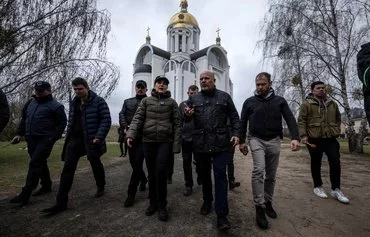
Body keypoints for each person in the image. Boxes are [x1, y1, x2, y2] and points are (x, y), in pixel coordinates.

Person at [239, 72, 300, 230]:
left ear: (270, 83)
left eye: (263, 84)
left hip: (274, 140)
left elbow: (290, 118)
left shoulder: (280, 101)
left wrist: (295, 137)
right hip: (256, 139)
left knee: (271, 175)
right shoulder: (249, 102)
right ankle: (259, 207)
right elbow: (243, 121)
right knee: (259, 170)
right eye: (257, 84)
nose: (260, 87)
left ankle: (268, 202)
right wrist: (241, 141)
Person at [42, 77, 111, 215]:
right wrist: (67, 136)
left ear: (87, 87)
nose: (77, 92)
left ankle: (101, 185)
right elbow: (71, 120)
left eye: (80, 89)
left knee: (95, 162)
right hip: (75, 140)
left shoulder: (99, 101)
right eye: (75, 89)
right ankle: (61, 202)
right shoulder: (74, 102)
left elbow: (106, 119)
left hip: (91, 139)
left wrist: (99, 136)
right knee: (68, 168)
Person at [184, 70, 240, 231]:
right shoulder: (194, 99)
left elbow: (235, 117)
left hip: (221, 144)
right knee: (204, 176)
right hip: (200, 145)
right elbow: (187, 119)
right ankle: (207, 200)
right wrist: (188, 115)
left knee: (220, 176)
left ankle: (222, 215)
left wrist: (236, 134)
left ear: (214, 80)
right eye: (201, 79)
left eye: (206, 78)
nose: (203, 81)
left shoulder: (224, 97)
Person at [126, 76, 180, 221]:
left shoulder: (172, 103)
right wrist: (130, 134)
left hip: (165, 142)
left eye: (164, 83)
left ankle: (162, 204)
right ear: (155, 85)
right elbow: (137, 119)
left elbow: (177, 125)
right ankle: (152, 202)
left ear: (167, 87)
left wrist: (175, 145)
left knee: (161, 171)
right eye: (159, 83)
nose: (162, 85)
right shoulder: (145, 101)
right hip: (148, 141)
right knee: (151, 173)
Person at [9, 81, 67, 206]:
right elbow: (25, 119)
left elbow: (62, 124)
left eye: (41, 91)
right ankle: (46, 185)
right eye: (36, 90)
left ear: (49, 90)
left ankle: (25, 194)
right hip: (31, 138)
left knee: (35, 163)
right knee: (40, 162)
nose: (38, 93)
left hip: (45, 140)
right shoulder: (30, 103)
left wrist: (52, 138)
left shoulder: (56, 106)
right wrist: (19, 134)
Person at [298, 81, 349, 204]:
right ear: (312, 90)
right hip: (314, 138)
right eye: (318, 88)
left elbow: (338, 118)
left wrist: (336, 129)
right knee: (316, 162)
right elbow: (301, 120)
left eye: (323, 88)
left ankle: (336, 189)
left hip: (331, 138)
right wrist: (304, 135)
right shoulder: (307, 104)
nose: (321, 90)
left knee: (335, 162)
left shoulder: (332, 104)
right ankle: (318, 186)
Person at [119, 80, 148, 207]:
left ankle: (131, 194)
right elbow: (121, 115)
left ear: (146, 89)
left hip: (145, 138)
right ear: (135, 88)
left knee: (137, 163)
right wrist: (126, 126)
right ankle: (143, 179)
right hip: (130, 137)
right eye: (138, 87)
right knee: (133, 163)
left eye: (142, 87)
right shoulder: (127, 101)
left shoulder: (149, 102)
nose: (140, 89)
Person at [179, 85, 200, 196]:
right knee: (186, 162)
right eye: (191, 93)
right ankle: (189, 185)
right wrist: (186, 114)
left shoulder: (202, 104)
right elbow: (179, 121)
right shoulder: (182, 105)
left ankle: (200, 175)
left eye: (195, 93)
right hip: (186, 138)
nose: (193, 95)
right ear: (188, 93)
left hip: (198, 138)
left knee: (200, 161)